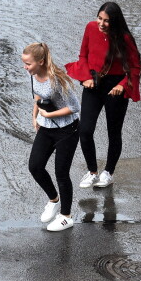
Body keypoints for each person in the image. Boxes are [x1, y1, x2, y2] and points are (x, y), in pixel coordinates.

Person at [65, 2, 141, 188]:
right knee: (84, 130)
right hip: (93, 83)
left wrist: (123, 85)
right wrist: (85, 78)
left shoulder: (124, 38)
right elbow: (83, 56)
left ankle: (108, 172)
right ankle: (92, 171)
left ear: (114, 21)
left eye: (106, 21)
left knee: (113, 132)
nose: (101, 23)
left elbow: (135, 67)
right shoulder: (90, 28)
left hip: (115, 87)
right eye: (99, 18)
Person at [22, 42, 81, 232]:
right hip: (45, 128)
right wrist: (35, 115)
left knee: (61, 173)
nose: (25, 67)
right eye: (24, 63)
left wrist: (48, 115)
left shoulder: (58, 79)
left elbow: (74, 107)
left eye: (28, 64)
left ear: (40, 62)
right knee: (35, 166)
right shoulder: (33, 75)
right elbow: (38, 96)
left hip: (67, 129)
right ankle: (54, 200)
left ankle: (66, 216)